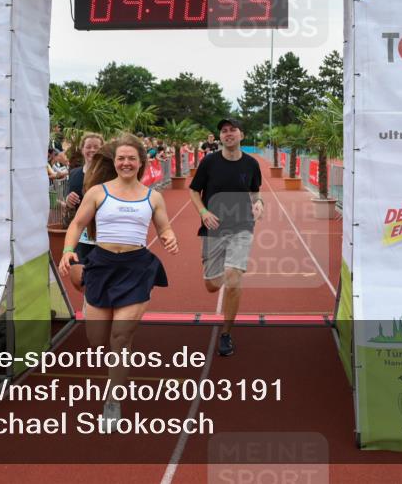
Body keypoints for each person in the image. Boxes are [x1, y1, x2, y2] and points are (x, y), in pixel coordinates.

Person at [58, 134, 179, 430]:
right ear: (114, 162)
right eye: (121, 158)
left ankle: (112, 401)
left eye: (131, 158)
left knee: (120, 338)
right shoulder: (98, 192)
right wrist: (68, 250)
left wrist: (169, 237)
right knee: (97, 339)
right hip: (102, 266)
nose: (126, 163)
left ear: (141, 162)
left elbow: (164, 227)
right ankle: (110, 326)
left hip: (136, 268)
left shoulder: (153, 197)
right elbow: (77, 224)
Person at [188, 118, 263, 357]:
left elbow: (255, 192)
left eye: (233, 130)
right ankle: (221, 272)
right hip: (213, 228)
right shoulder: (209, 162)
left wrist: (259, 203)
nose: (228, 134)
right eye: (224, 131)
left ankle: (226, 333)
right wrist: (203, 212)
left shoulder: (251, 164)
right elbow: (194, 191)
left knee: (233, 277)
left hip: (242, 226)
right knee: (212, 285)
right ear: (220, 137)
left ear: (242, 135)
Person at [65, 133, 104, 275]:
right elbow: (69, 205)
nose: (92, 150)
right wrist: (68, 201)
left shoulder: (108, 174)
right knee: (82, 275)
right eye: (88, 147)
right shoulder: (74, 173)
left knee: (102, 274)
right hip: (82, 235)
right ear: (82, 149)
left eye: (96, 147)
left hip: (103, 233)